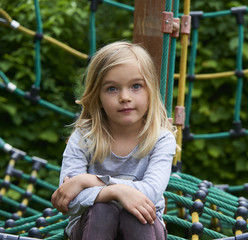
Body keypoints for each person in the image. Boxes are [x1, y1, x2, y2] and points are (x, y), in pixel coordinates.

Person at [51, 41, 177, 240]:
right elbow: (68, 200)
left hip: (144, 226)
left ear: (150, 91)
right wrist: (116, 193)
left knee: (134, 214)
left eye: (136, 86)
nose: (125, 97)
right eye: (112, 89)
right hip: (91, 227)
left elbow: (150, 193)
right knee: (103, 211)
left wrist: (87, 180)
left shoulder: (161, 139)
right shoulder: (84, 138)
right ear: (97, 96)